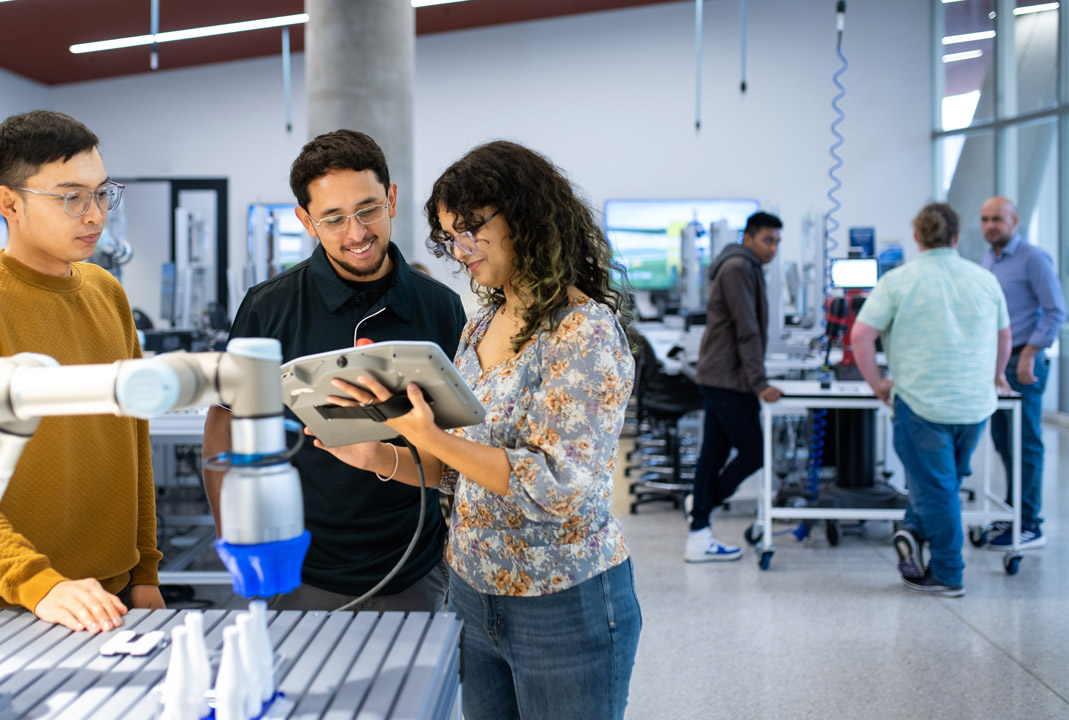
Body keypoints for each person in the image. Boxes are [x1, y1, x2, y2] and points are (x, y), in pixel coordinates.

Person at [313, 141, 641, 720]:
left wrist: (430, 434)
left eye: (471, 231)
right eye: (450, 237)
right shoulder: (481, 326)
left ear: (526, 216)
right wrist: (377, 456)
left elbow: (554, 485)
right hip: (472, 590)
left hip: (561, 601)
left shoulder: (581, 331)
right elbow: (453, 471)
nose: (460, 250)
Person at [0, 110, 164, 632]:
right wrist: (37, 582)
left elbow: (132, 440)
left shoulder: (107, 292)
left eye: (101, 194)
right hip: (8, 602)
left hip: (112, 593)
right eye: (71, 197)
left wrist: (145, 569)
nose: (94, 215)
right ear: (10, 203)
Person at [201, 129, 466, 611]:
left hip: (413, 565)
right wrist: (232, 537)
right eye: (334, 218)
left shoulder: (442, 309)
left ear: (392, 198)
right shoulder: (269, 308)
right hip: (300, 566)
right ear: (306, 221)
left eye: (368, 210)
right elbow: (224, 423)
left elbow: (462, 448)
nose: (357, 233)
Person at [851, 203, 1010, 598]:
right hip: (973, 405)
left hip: (922, 405)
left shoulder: (898, 281)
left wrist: (877, 384)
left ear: (917, 238)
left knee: (936, 489)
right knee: (944, 483)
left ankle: (947, 573)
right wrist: (996, 376)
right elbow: (1004, 336)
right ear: (956, 237)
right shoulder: (985, 280)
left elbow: (860, 336)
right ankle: (912, 530)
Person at [685, 211, 783, 562]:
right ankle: (701, 507)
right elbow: (747, 330)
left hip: (722, 376)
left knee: (713, 455)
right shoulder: (740, 268)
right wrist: (759, 383)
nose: (772, 248)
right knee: (754, 452)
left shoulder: (745, 266)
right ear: (748, 237)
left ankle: (699, 529)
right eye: (767, 240)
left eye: (776, 242)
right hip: (729, 379)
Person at [979, 196, 1065, 551]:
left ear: (1015, 221)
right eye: (985, 219)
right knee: (1004, 440)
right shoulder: (989, 259)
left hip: (1023, 362)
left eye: (997, 219)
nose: (990, 226)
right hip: (998, 364)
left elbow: (1056, 311)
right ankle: (1014, 511)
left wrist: (1030, 352)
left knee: (1026, 443)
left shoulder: (1033, 259)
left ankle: (1029, 523)